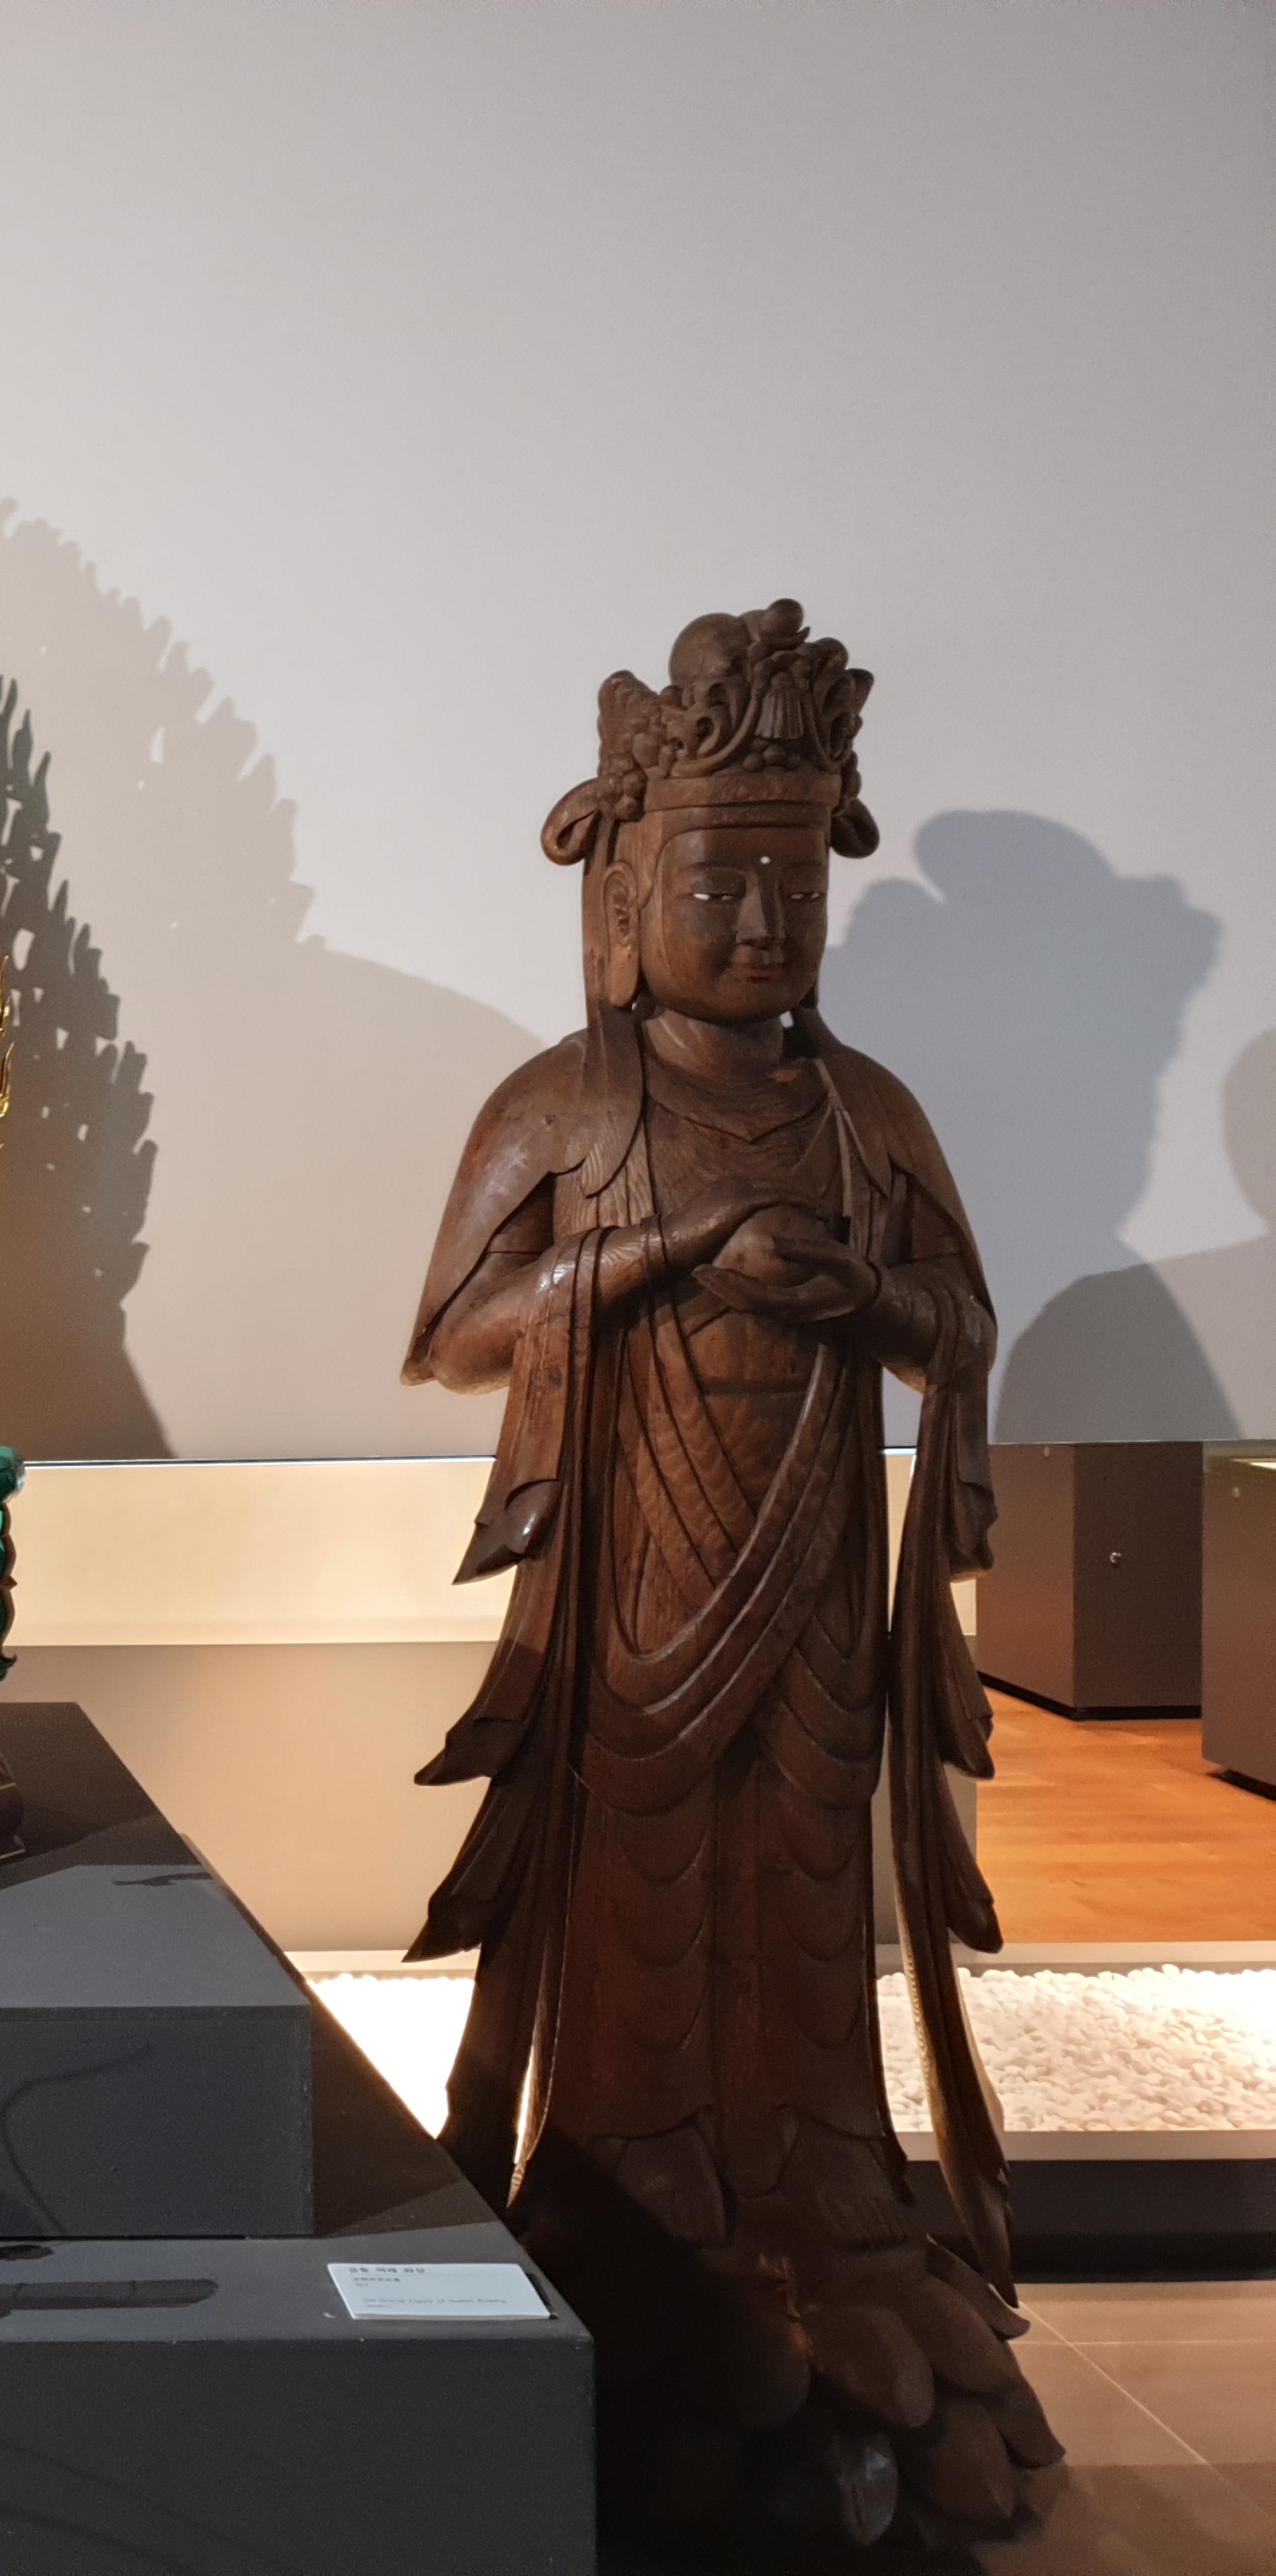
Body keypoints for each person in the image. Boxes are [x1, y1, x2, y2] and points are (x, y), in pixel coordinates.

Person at [403, 606, 1057, 2544]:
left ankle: (827, 2197)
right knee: (643, 1866)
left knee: (805, 1868)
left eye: (793, 890)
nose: (764, 926)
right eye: (720, 886)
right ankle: (632, 2193)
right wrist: (654, 1258)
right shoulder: (566, 1107)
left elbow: (960, 1320)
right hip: (641, 1584)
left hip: (817, 1578)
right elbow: (454, 1332)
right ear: (628, 894)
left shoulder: (866, 1117)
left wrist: (866, 1296)